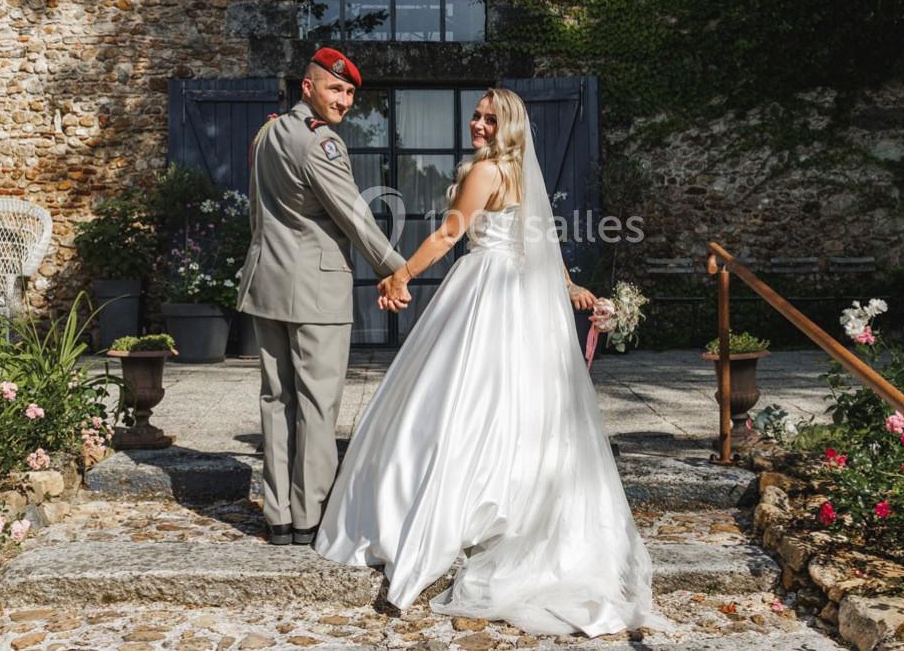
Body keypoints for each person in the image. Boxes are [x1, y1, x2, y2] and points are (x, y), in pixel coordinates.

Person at [314, 88, 662, 636]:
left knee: (462, 398)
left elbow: (452, 233)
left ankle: (463, 501)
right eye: (476, 114)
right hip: (526, 297)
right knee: (517, 401)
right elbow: (541, 241)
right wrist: (569, 287)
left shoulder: (487, 172)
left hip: (486, 292)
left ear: (508, 126)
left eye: (488, 117)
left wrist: (401, 274)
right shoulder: (522, 173)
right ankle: (513, 501)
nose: (476, 122)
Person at [237, 48, 408, 547]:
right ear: (307, 87)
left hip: (267, 282)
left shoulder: (267, 132)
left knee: (276, 399)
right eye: (337, 89)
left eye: (351, 92)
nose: (346, 100)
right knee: (315, 402)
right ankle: (310, 515)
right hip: (315, 290)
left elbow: (258, 214)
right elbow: (355, 216)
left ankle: (279, 517)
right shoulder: (320, 143)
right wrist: (400, 271)